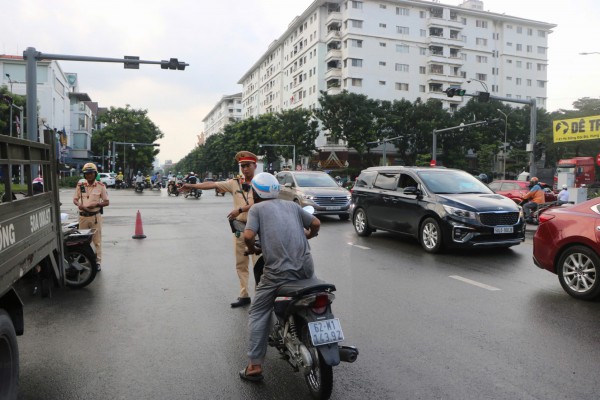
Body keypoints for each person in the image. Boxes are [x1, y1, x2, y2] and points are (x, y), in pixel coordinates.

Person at [239, 172, 320, 382]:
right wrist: (309, 235)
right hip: (306, 269)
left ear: (255, 193)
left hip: (278, 274)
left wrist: (252, 249)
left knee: (258, 312)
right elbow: (316, 223)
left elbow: (248, 235)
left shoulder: (257, 208)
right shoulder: (292, 206)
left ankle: (255, 365)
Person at [183, 151, 258, 307]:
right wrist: (192, 185)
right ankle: (244, 295)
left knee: (259, 264)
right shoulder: (235, 183)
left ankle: (261, 298)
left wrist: (241, 210)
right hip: (239, 228)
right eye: (242, 166)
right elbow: (212, 185)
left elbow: (261, 204)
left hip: (257, 229)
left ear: (255, 166)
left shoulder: (261, 183)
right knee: (241, 263)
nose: (244, 169)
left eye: (247, 166)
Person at [72, 163, 109, 271]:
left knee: (96, 241)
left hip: (95, 217)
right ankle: (83, 259)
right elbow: (75, 199)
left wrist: (97, 205)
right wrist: (79, 204)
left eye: (91, 173)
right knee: (82, 241)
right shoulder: (80, 185)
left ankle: (97, 262)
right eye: (86, 173)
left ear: (95, 173)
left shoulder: (101, 186)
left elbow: (107, 202)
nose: (89, 175)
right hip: (83, 217)